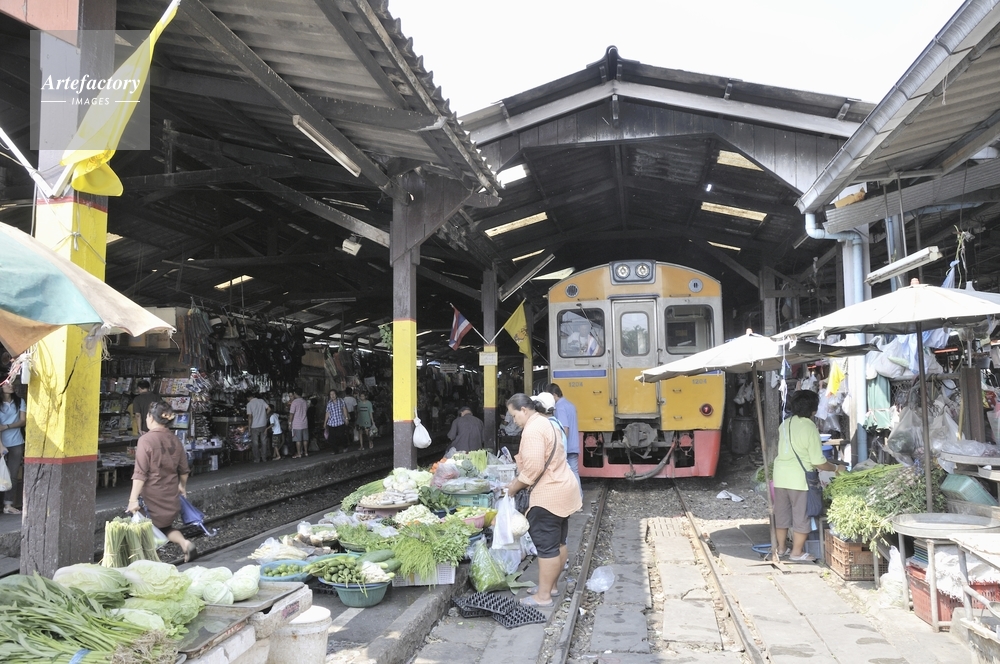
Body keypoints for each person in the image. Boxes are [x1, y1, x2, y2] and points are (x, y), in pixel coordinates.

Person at [504, 393, 582, 608]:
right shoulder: (547, 422)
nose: (514, 421)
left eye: (514, 415)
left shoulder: (532, 430)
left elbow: (533, 469)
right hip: (563, 489)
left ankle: (543, 596)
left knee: (546, 548)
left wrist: (513, 488)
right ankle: (551, 587)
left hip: (547, 496)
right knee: (559, 542)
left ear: (524, 410)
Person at [773, 390, 846, 562]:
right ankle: (796, 552)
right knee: (801, 516)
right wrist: (836, 468)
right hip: (799, 479)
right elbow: (818, 462)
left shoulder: (785, 424)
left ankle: (781, 548)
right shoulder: (809, 427)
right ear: (813, 409)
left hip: (780, 476)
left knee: (782, 514)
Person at [127, 401, 196, 562]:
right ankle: (185, 543)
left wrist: (132, 499)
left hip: (151, 498)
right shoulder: (175, 440)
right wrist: (182, 487)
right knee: (165, 528)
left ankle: (153, 562)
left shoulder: (146, 440)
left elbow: (140, 474)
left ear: (151, 417)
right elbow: (184, 470)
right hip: (170, 496)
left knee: (145, 531)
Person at [1, 381, 26, 514]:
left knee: (13, 474)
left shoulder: (20, 401)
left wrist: (6, 426)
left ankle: (8, 505)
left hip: (16, 442)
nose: (11, 385)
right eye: (7, 384)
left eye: (11, 383)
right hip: (1, 443)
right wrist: (0, 445)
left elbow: (23, 421)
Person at [549, 383, 581, 487]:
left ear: (554, 395)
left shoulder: (559, 407)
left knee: (567, 475)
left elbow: (564, 428)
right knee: (574, 473)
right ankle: (578, 495)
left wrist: (561, 446)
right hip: (574, 445)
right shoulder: (570, 404)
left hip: (567, 447)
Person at [245, 394, 270, 463]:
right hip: (263, 424)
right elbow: (269, 409)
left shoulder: (249, 404)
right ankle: (264, 458)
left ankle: (257, 459)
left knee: (255, 443)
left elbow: (250, 416)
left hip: (254, 426)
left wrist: (249, 427)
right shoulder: (261, 401)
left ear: (248, 397)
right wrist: (265, 415)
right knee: (264, 442)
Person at [288, 389, 310, 458]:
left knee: (298, 440)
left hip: (297, 424)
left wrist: (290, 423)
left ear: (295, 393)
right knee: (305, 439)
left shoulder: (294, 402)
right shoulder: (305, 402)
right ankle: (306, 452)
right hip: (305, 423)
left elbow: (291, 414)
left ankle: (299, 453)